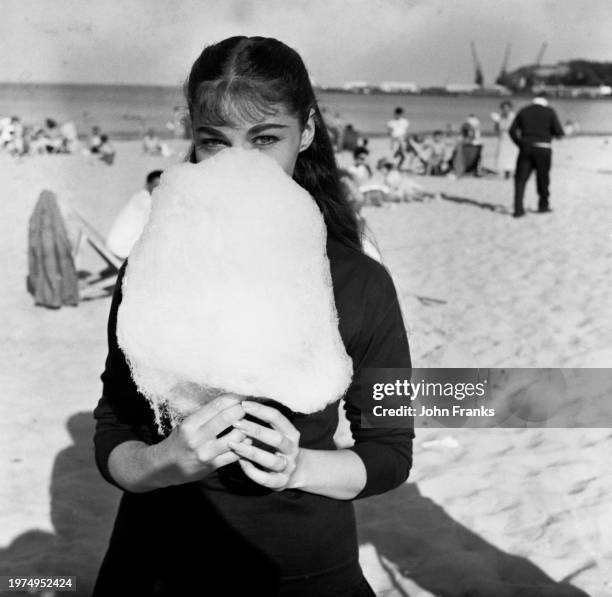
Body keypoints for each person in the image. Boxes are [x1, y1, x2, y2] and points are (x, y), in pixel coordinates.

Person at [92, 36, 413, 597]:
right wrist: (160, 464)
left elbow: (391, 451)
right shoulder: (149, 268)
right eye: (214, 142)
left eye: (264, 139)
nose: (238, 165)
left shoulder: (361, 283)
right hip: (153, 565)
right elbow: (114, 426)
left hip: (306, 569)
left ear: (306, 131)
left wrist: (301, 469)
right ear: (192, 137)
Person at [509, 92, 565, 217]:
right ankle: (543, 206)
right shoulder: (549, 112)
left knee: (520, 179)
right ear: (545, 100)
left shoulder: (524, 111)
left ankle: (518, 209)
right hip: (543, 148)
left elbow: (511, 130)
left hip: (526, 148)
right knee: (543, 178)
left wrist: (520, 143)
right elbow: (559, 132)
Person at [106, 170, 163, 260]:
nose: (159, 190)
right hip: (121, 249)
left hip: (114, 244)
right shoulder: (145, 201)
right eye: (155, 186)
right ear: (147, 185)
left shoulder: (140, 197)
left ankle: (97, 275)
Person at [491, 101, 517, 179]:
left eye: (507, 109)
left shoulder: (514, 117)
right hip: (503, 138)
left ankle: (511, 171)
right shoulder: (500, 117)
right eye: (503, 109)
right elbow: (496, 129)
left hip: (512, 138)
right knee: (502, 155)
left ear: (510, 109)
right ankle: (506, 172)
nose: (505, 110)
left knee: (512, 156)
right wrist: (496, 122)